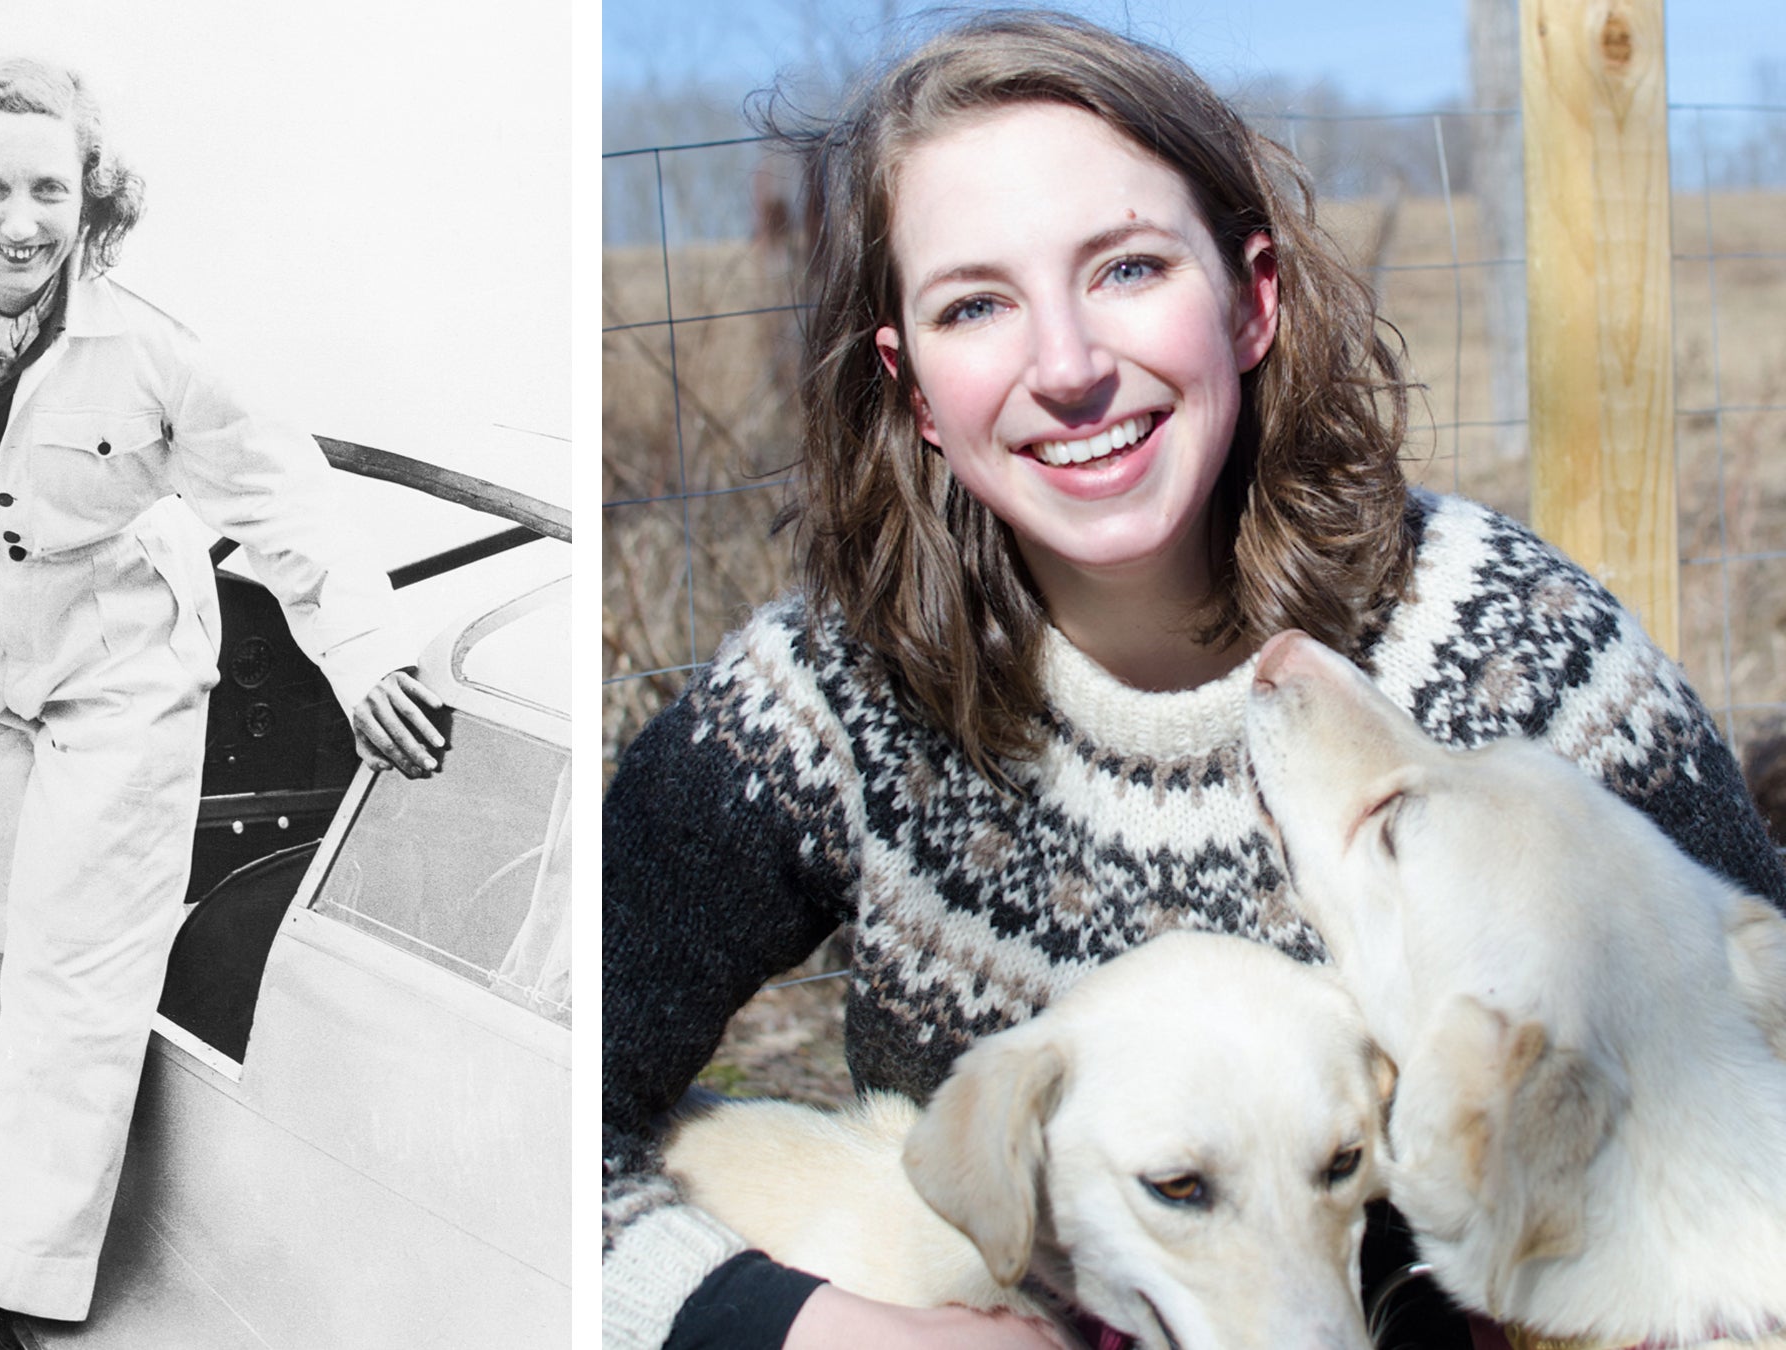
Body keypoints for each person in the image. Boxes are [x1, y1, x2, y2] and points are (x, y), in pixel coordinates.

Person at [599, 11, 1786, 1350]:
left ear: (1251, 296)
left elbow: (1761, 1062)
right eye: (976, 304)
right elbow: (517, 1110)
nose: (1066, 366)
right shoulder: (823, 702)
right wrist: (795, 1326)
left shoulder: (1509, 644)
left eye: (1127, 267)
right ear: (915, 385)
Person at [0, 58, 446, 1349]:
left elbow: (285, 503)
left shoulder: (156, 346)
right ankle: (30, 1215)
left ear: (92, 203)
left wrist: (364, 657)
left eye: (50, 190)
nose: (21, 220)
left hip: (123, 665)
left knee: (75, 976)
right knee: (19, 928)